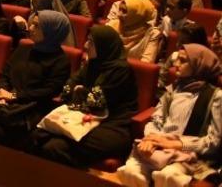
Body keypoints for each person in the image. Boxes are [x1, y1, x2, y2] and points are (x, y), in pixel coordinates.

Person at [33, 25, 139, 168]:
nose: (85, 45)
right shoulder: (92, 64)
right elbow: (67, 88)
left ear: (103, 46)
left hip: (112, 126)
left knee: (54, 147)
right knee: (39, 136)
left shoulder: (120, 70)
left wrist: (80, 91)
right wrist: (80, 91)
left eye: (91, 42)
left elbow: (95, 101)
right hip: (84, 117)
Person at [116, 44, 222, 187]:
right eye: (177, 59)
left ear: (198, 65)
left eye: (183, 61)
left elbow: (213, 141)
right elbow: (156, 119)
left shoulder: (215, 97)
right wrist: (151, 138)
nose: (176, 64)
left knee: (168, 176)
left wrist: (176, 144)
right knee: (130, 171)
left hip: (189, 154)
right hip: (160, 146)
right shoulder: (173, 90)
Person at [0, 11, 73, 150]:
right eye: (32, 24)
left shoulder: (61, 61)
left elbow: (48, 92)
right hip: (6, 101)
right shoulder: (23, 48)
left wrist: (14, 96)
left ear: (51, 31)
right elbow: (4, 74)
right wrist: (2, 93)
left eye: (36, 26)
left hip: (33, 107)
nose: (30, 28)